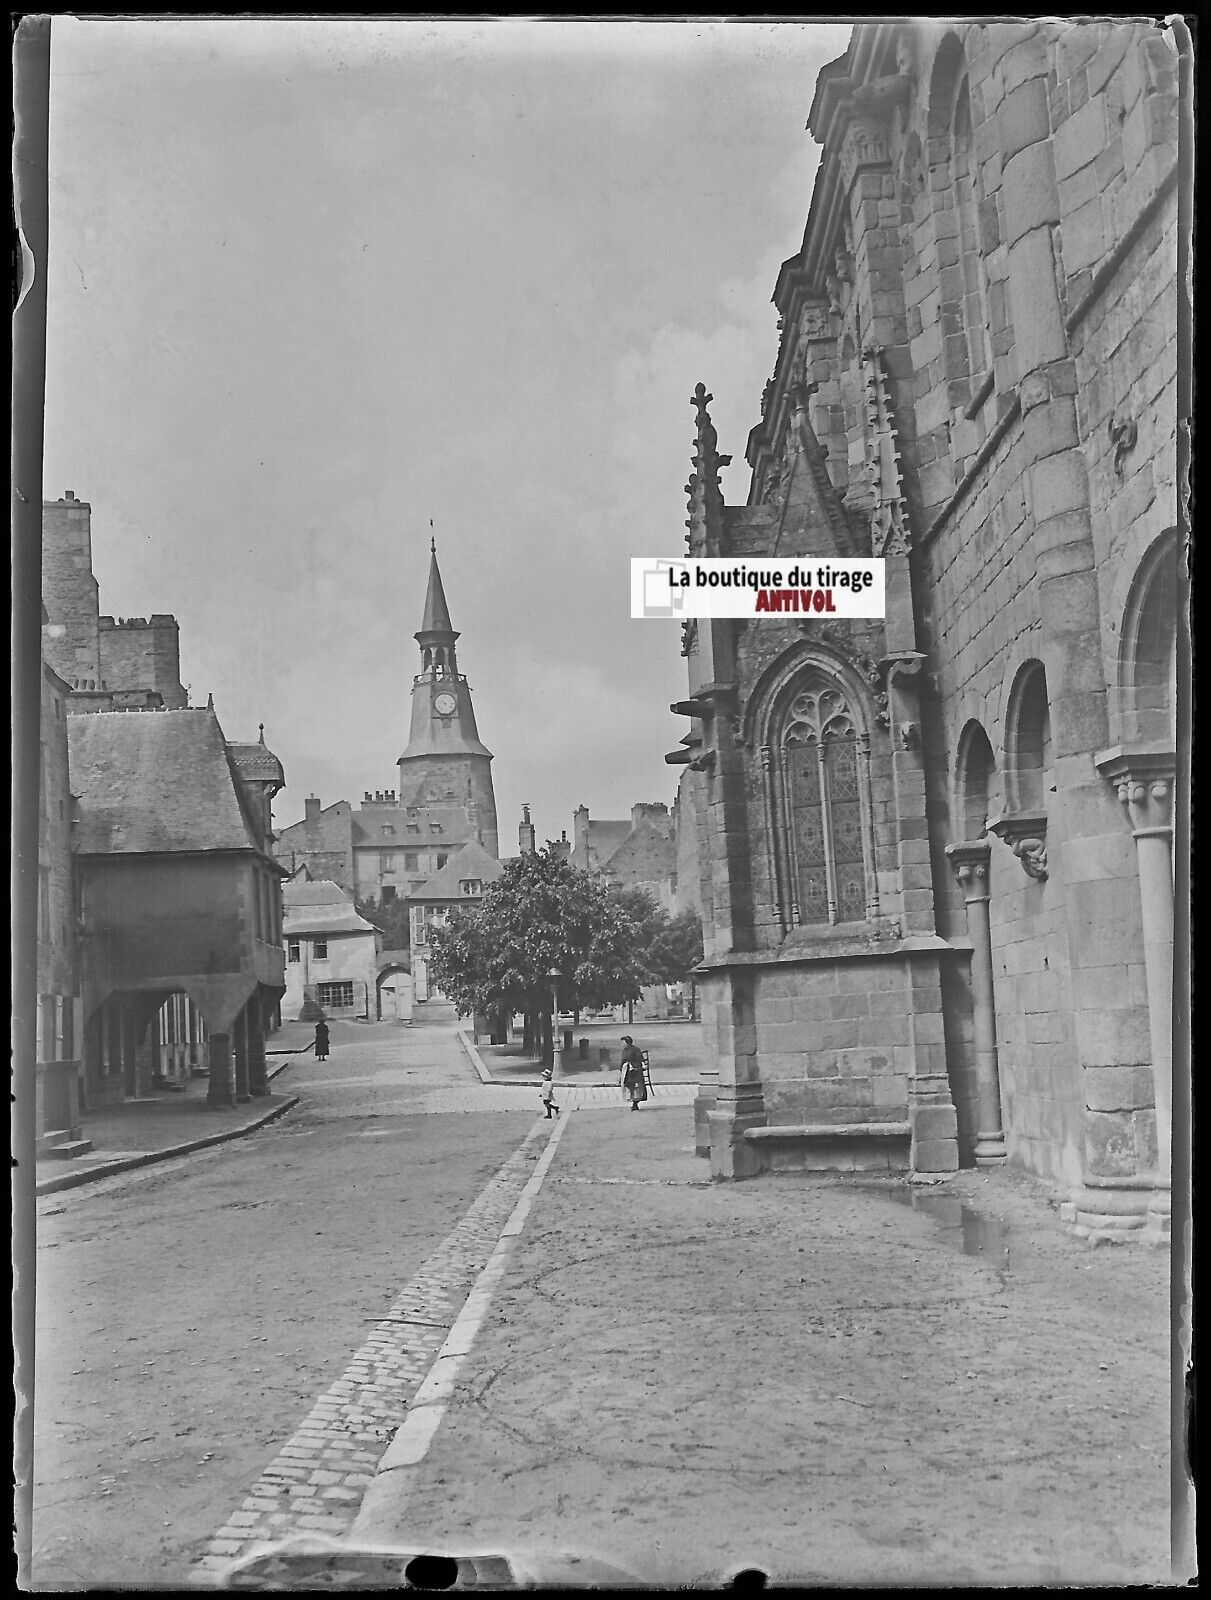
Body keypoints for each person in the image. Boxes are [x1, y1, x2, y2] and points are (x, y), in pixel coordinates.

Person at [620, 1035, 647, 1111]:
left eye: (623, 1042)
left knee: (636, 1086)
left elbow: (639, 1059)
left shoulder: (635, 1049)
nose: (622, 1044)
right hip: (628, 1070)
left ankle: (635, 1103)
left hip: (635, 1070)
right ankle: (633, 1101)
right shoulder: (625, 1050)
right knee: (629, 1085)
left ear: (627, 1043)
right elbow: (623, 1061)